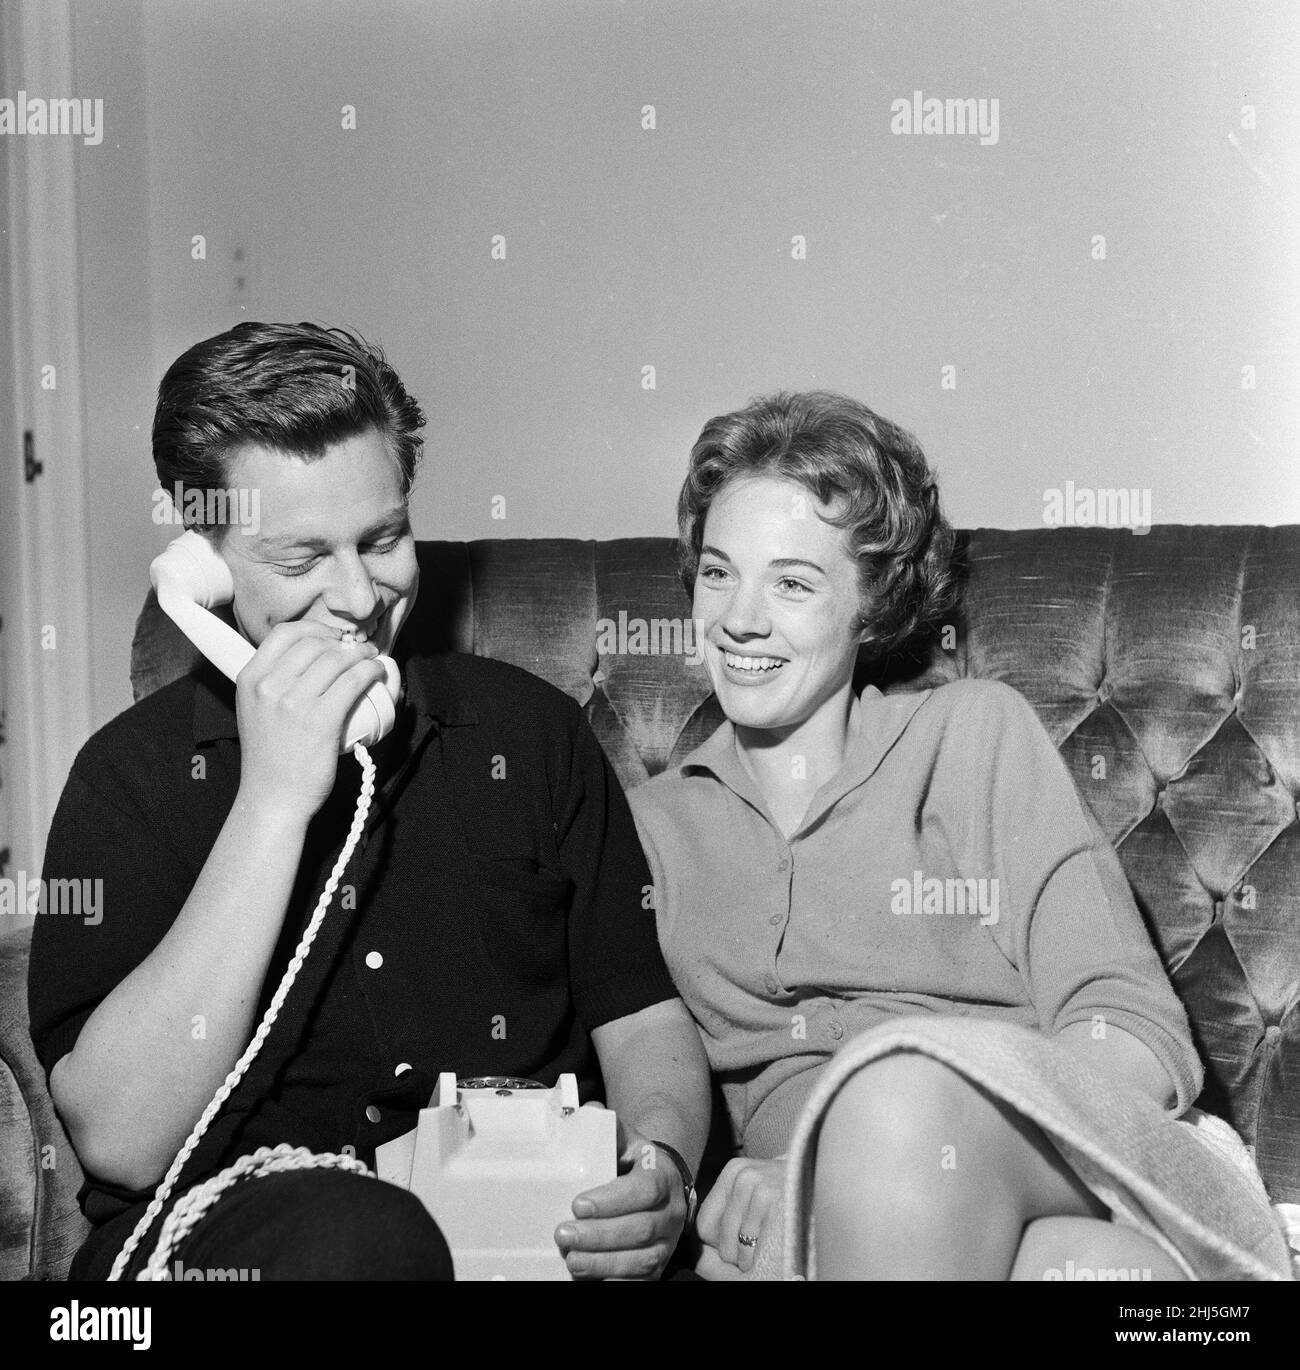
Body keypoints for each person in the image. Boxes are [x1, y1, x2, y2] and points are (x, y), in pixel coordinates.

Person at [28, 321, 709, 1282]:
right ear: (201, 568)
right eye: (302, 558)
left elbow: (641, 1016)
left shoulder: (531, 736)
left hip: (514, 1234)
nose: (358, 596)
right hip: (233, 1242)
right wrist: (272, 802)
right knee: (361, 1244)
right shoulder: (127, 780)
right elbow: (122, 1142)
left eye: (383, 539)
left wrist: (663, 1172)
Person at [628, 390, 1289, 1281]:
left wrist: (845, 1164)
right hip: (848, 1245)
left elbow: (1134, 1037)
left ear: (871, 607)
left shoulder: (972, 736)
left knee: (898, 1110)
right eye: (718, 572)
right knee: (1074, 1272)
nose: (740, 618)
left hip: (1097, 1161)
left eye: (792, 581)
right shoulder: (649, 827)